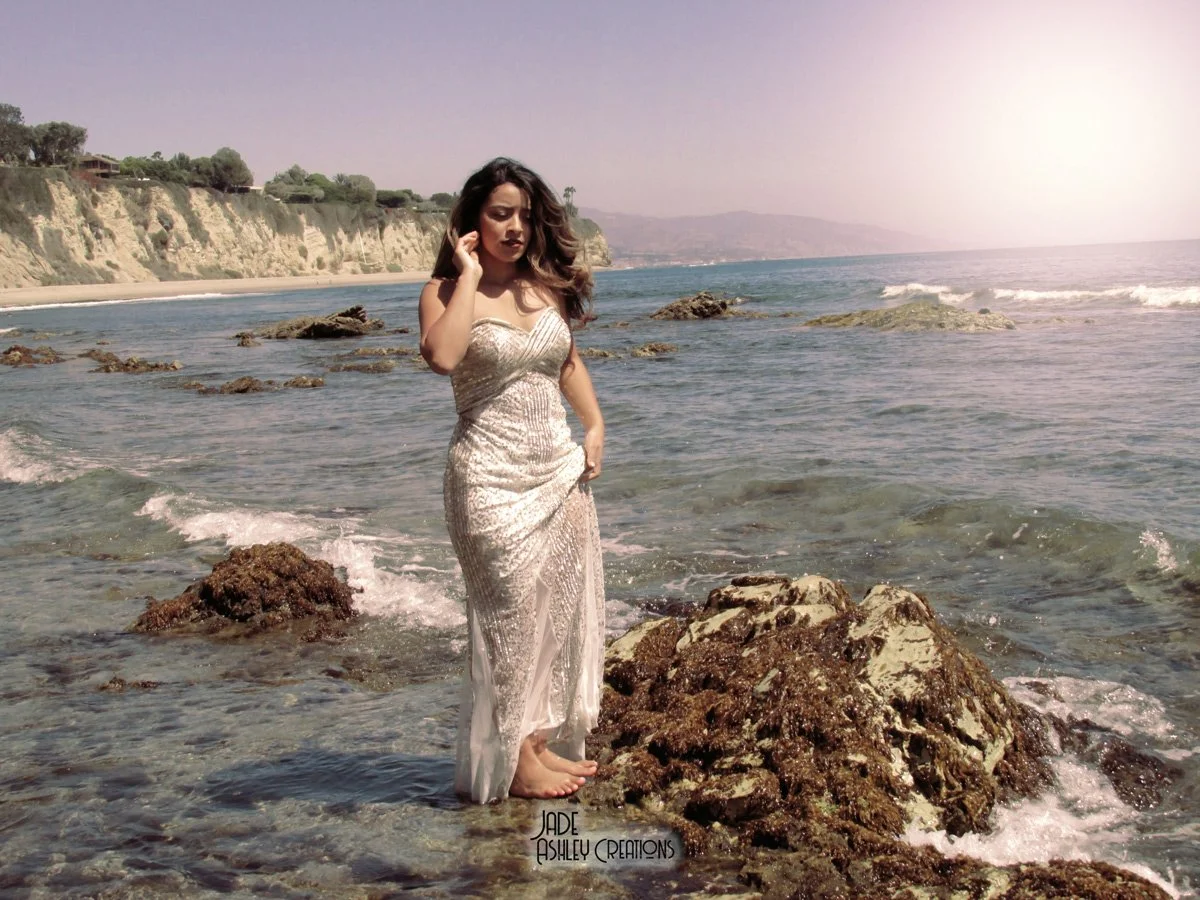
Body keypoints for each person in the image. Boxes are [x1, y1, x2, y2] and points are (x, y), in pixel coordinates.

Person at [418, 158, 606, 802]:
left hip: (556, 472)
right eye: (501, 213)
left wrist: (595, 424)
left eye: (525, 215)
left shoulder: (543, 287)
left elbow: (565, 360)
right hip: (488, 481)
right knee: (507, 617)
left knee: (554, 613)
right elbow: (442, 356)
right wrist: (469, 275)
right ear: (472, 219)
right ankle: (513, 759)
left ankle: (535, 745)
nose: (516, 227)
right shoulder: (445, 291)